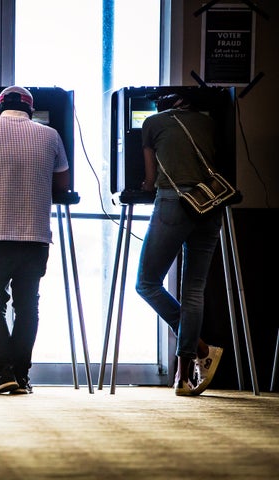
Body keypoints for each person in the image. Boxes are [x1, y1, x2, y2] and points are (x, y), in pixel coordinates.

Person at [0, 85, 70, 394]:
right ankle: (20, 376)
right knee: (27, 306)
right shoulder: (50, 136)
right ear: (30, 110)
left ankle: (2, 371)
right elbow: (63, 182)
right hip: (36, 236)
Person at [137, 92, 224, 396]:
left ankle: (201, 348)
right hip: (210, 203)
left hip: (174, 203)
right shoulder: (210, 123)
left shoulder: (152, 122)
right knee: (194, 290)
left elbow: (150, 179)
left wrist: (147, 186)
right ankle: (183, 378)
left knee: (147, 283)